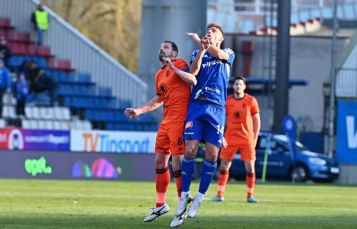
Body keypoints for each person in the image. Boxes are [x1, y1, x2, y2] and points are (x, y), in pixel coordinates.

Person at [170, 23, 235, 227]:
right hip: (197, 106)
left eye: (213, 31)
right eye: (208, 31)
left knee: (212, 155)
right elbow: (193, 73)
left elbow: (220, 56)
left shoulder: (228, 53)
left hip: (216, 108)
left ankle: (199, 198)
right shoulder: (199, 51)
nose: (210, 33)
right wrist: (201, 50)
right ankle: (185, 197)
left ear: (221, 38)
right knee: (189, 150)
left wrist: (202, 42)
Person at [124, 41, 197, 223]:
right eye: (160, 47)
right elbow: (159, 99)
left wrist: (174, 67)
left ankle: (182, 205)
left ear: (173, 53)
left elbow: (191, 79)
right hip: (165, 121)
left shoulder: (180, 64)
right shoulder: (159, 74)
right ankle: (160, 205)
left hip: (180, 120)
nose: (161, 49)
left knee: (177, 161)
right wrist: (139, 110)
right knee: (159, 160)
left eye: (165, 47)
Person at [211, 76, 261, 203]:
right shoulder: (227, 102)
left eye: (240, 84)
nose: (238, 86)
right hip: (230, 138)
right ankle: (220, 194)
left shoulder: (251, 101)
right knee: (224, 165)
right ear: (233, 86)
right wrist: (221, 135)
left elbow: (256, 120)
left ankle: (250, 195)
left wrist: (255, 137)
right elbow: (220, 120)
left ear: (244, 86)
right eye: (236, 84)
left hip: (246, 138)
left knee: (250, 168)